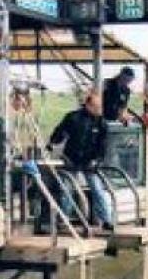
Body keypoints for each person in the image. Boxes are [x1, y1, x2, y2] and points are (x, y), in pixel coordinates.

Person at [47, 91, 114, 231]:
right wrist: (53, 143)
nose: (99, 110)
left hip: (90, 162)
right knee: (67, 189)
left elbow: (104, 146)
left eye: (100, 107)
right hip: (72, 159)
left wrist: (97, 161)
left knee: (97, 190)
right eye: (96, 107)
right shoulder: (73, 118)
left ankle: (106, 220)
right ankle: (64, 220)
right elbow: (60, 132)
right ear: (88, 105)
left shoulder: (101, 123)